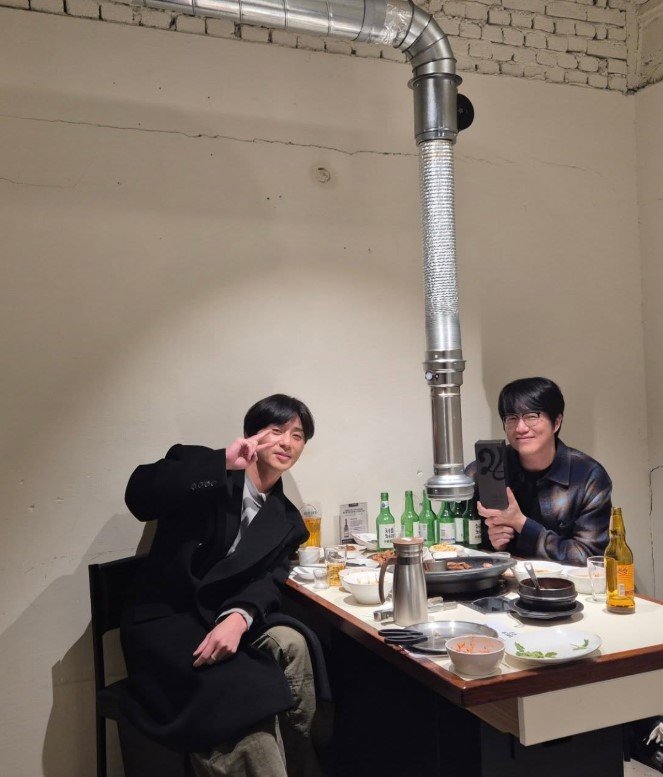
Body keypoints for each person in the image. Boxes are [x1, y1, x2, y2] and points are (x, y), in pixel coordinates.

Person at [119, 394, 328, 777]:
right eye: (276, 430)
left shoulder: (288, 521)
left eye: (297, 436)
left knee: (282, 662)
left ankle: (299, 765)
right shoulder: (205, 469)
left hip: (219, 621)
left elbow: (270, 578)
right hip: (165, 621)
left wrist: (240, 616)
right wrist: (223, 462)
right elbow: (139, 495)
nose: (287, 442)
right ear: (253, 434)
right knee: (241, 694)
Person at [467, 377, 612, 564]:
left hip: (564, 582)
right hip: (505, 579)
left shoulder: (588, 476)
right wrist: (495, 544)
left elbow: (589, 557)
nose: (520, 428)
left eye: (531, 416)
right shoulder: (484, 471)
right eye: (512, 418)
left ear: (556, 422)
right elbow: (456, 543)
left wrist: (521, 523)